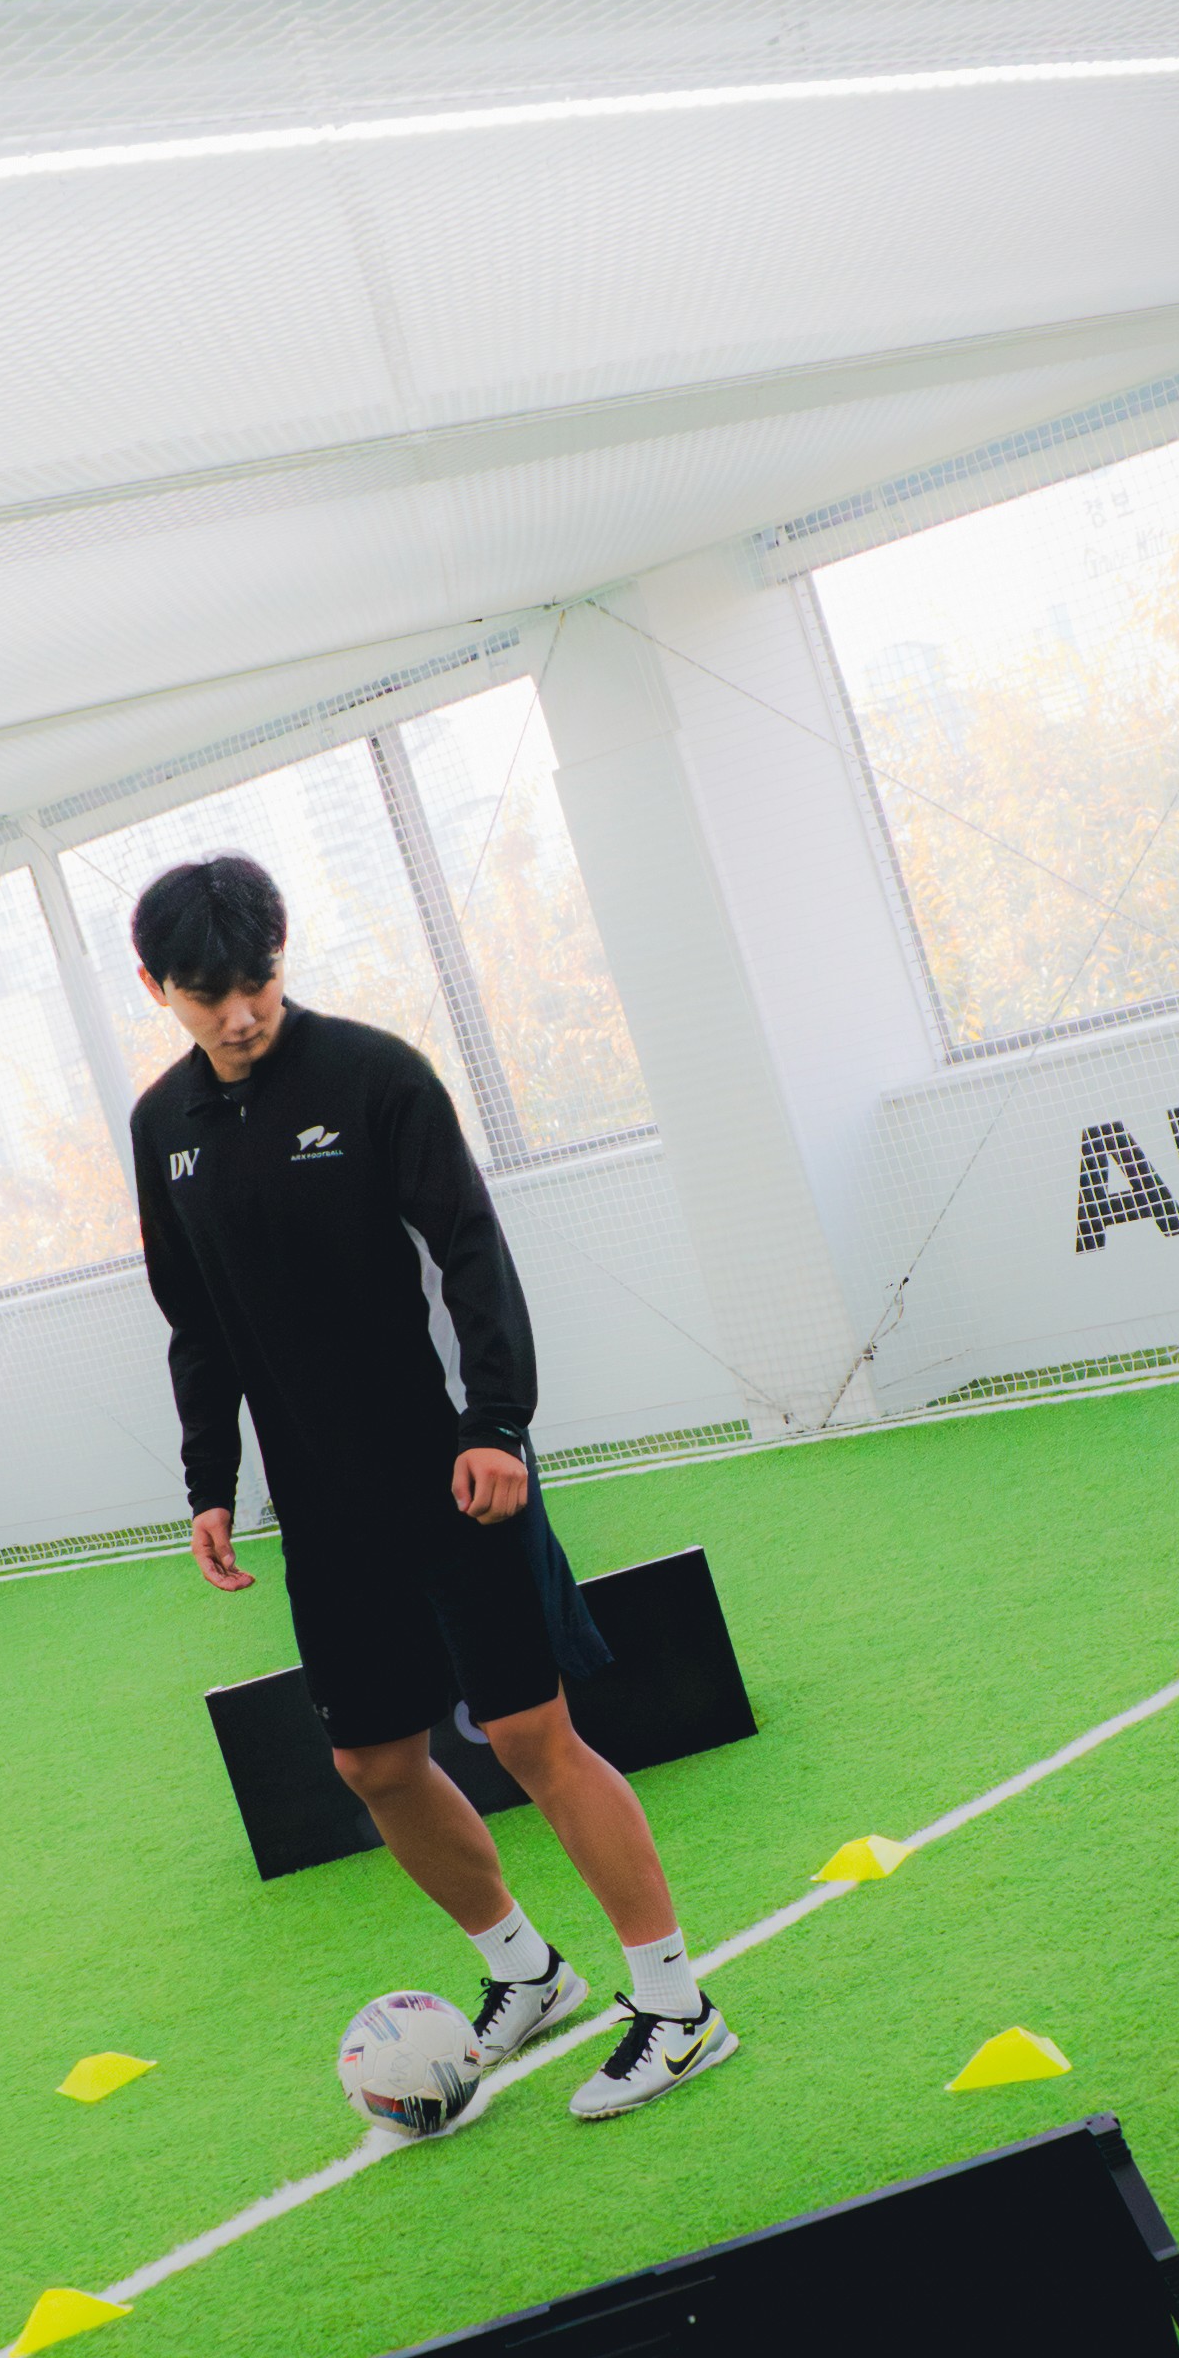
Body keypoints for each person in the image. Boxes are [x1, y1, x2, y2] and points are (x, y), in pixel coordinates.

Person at [128, 850, 734, 2121]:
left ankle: (677, 2008)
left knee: (528, 1734)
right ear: (158, 990)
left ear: (280, 962)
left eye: (257, 981)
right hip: (321, 1506)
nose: (239, 1013)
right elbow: (194, 1323)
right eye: (207, 993)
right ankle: (526, 1971)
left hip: (454, 1474)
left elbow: (467, 1249)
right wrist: (209, 1478)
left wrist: (495, 1422)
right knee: (370, 1761)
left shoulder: (372, 1075)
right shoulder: (160, 1132)